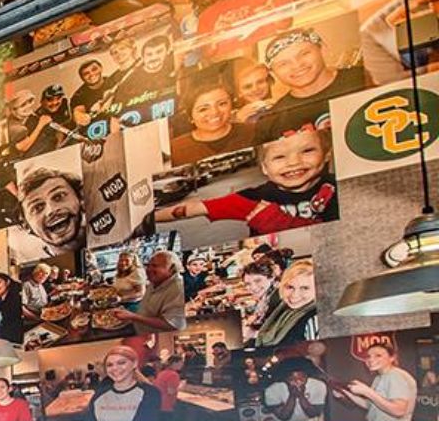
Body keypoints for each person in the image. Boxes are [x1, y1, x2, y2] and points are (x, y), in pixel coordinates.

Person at [156, 107, 337, 233]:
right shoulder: (252, 199)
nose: (294, 162)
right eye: (279, 157)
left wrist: (277, 222)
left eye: (307, 150)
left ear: (327, 154)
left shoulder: (340, 189)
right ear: (264, 168)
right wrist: (149, 219)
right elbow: (192, 208)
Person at [71, 345, 161, 421]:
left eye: (121, 363)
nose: (115, 368)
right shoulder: (100, 394)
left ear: (134, 363)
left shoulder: (150, 393)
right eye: (110, 365)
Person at [339, 342, 417, 421]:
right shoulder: (379, 378)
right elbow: (370, 405)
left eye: (378, 355)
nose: (371, 360)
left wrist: (367, 392)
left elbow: (399, 411)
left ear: (392, 358)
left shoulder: (395, 376)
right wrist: (346, 393)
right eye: (368, 356)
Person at [114, 250, 187, 336]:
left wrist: (133, 316)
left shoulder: (178, 288)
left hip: (158, 339)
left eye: (155, 266)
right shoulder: (156, 280)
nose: (149, 269)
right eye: (148, 265)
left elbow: (170, 324)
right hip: (141, 332)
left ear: (171, 269)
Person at [252, 258, 319, 347]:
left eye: (305, 288)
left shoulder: (314, 319)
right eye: (290, 287)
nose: (295, 295)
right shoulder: (283, 308)